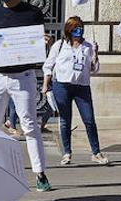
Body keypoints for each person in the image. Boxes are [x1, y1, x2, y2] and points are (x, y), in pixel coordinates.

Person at [0, 0, 51, 192]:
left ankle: (40, 173)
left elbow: (38, 42)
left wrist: (44, 43)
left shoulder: (32, 13)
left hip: (23, 78)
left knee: (30, 125)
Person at [42, 16, 108, 167]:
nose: (79, 31)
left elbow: (94, 69)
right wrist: (45, 85)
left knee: (89, 119)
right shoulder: (59, 45)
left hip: (82, 86)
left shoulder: (88, 46)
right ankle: (67, 153)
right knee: (65, 120)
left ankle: (96, 152)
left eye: (81, 27)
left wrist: (96, 56)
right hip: (62, 85)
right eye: (75, 28)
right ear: (69, 30)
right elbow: (48, 65)